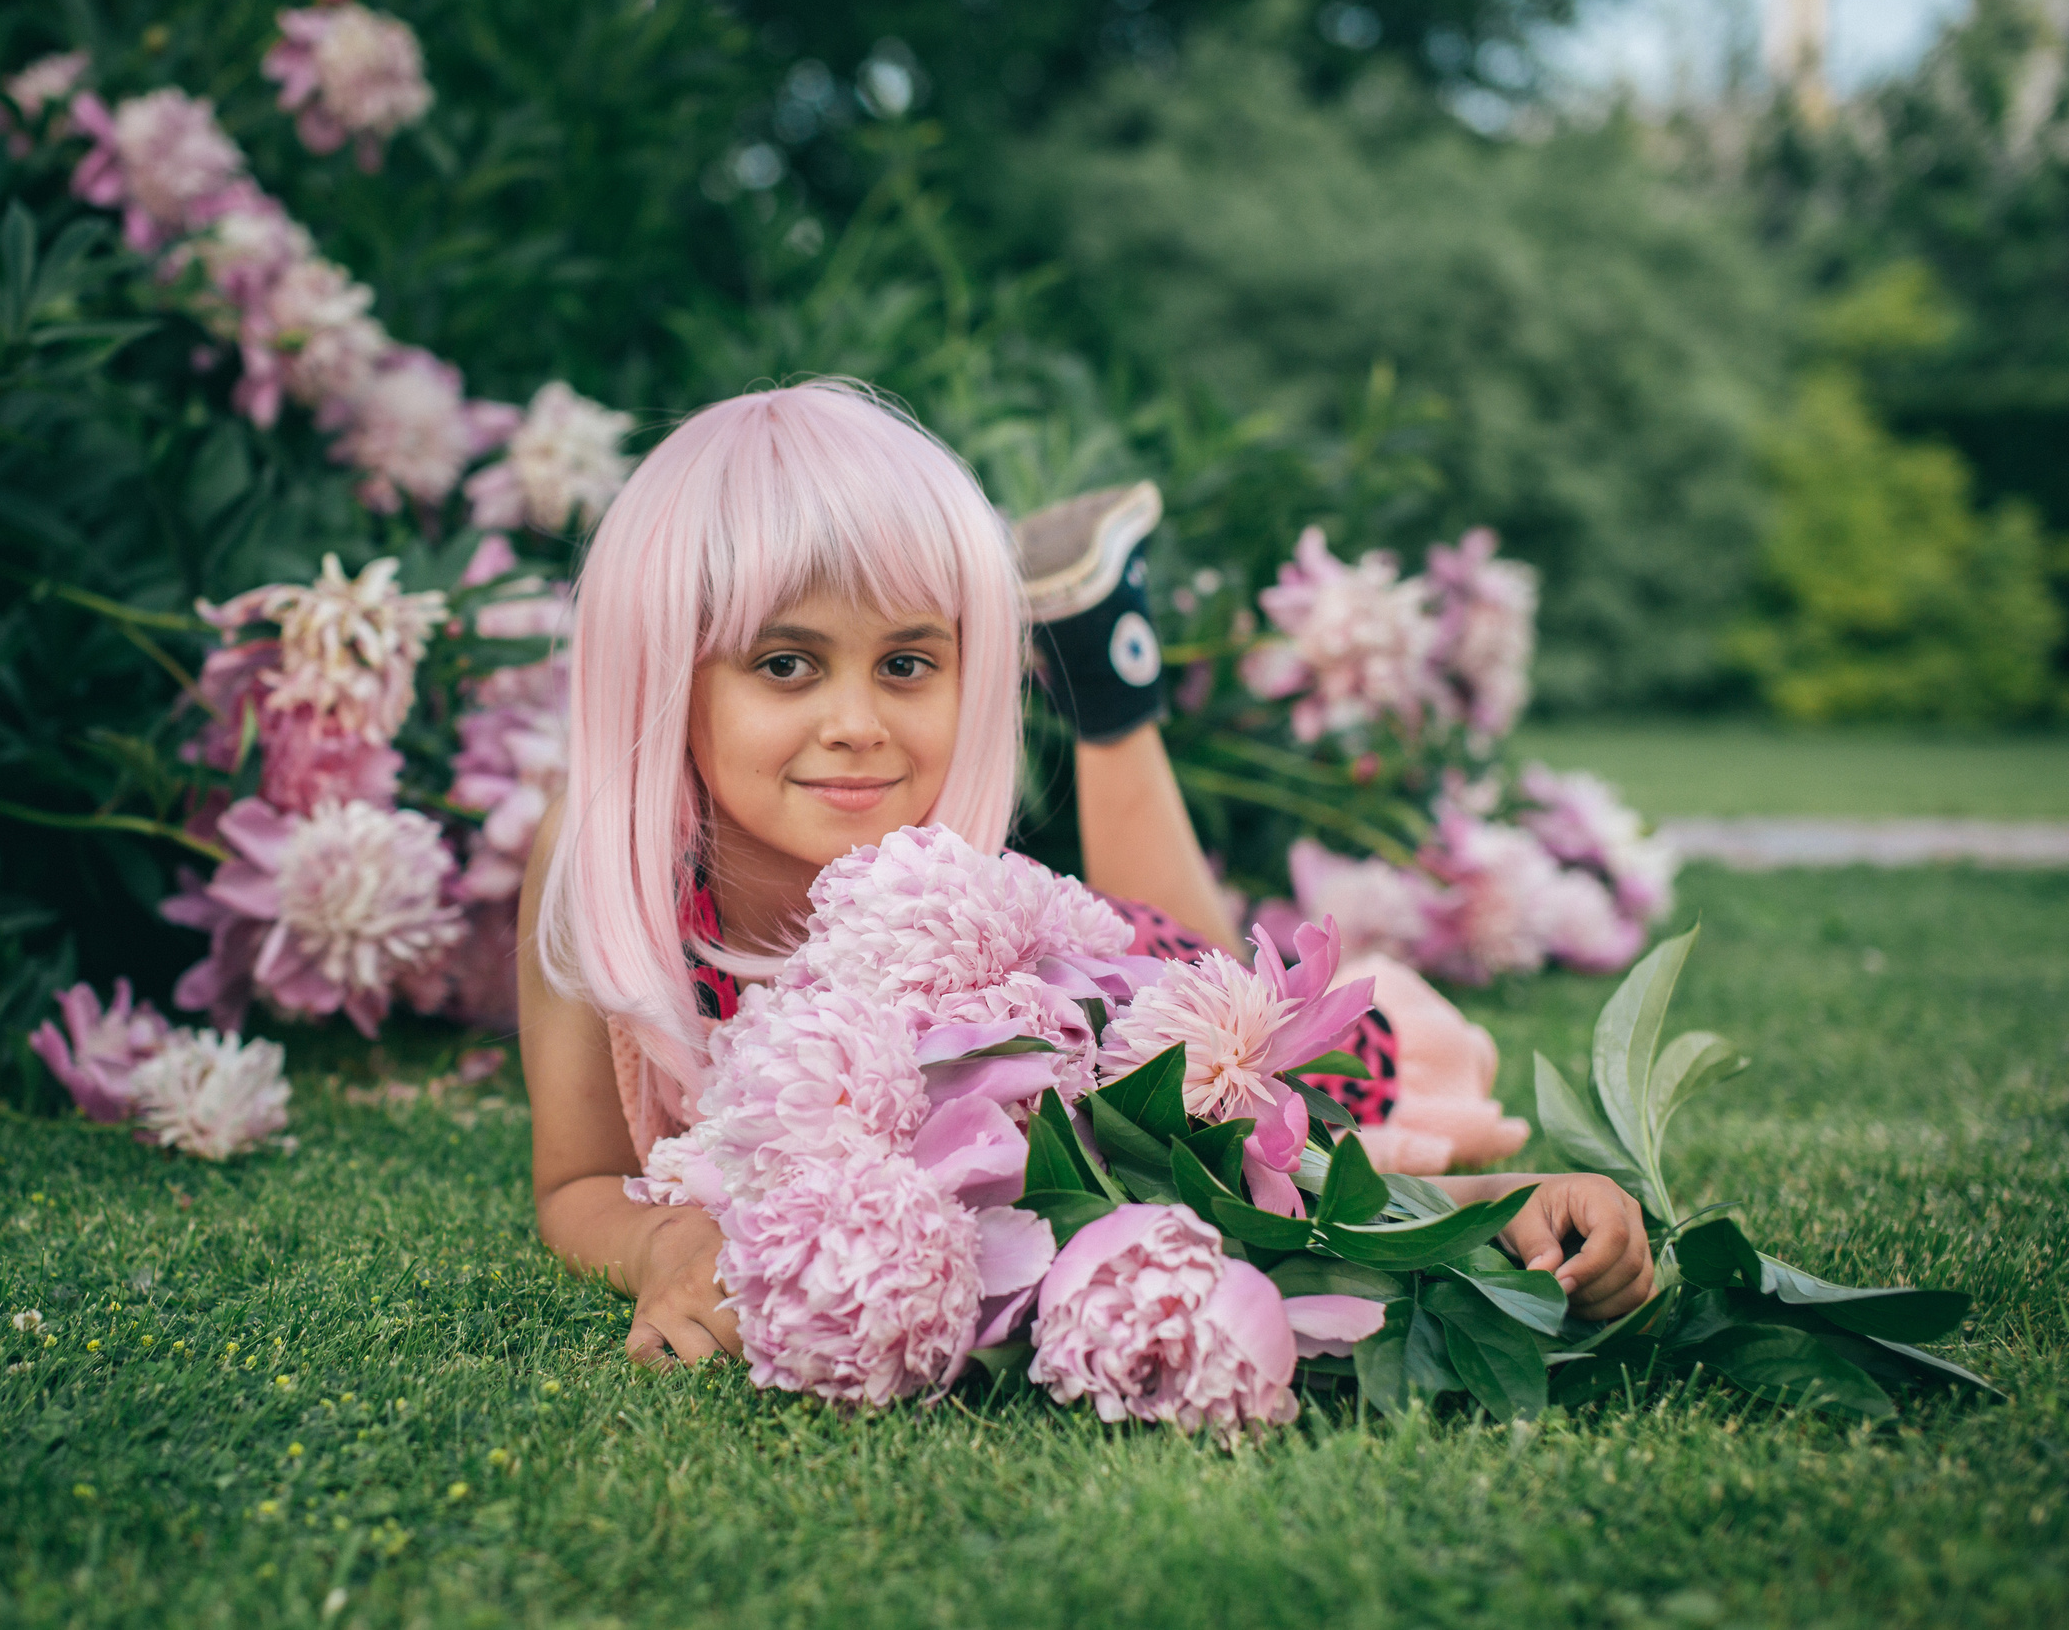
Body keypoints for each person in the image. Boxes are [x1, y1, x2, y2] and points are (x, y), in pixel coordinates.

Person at [515, 380, 1653, 1366]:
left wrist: (1496, 1203)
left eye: (907, 662)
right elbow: (575, 1184)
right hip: (1076, 958)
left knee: (1238, 1023)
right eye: (785, 664)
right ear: (664, 672)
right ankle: (1098, 637)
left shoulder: (984, 956)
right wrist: (664, 1241)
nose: (856, 722)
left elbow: (1239, 1182)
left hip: (1122, 998)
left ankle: (1107, 676)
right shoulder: (596, 867)